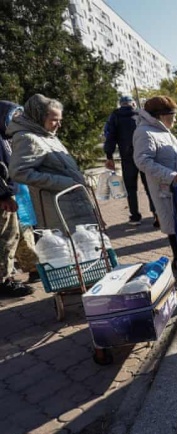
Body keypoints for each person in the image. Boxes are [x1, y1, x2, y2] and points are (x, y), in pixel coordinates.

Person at [8, 94, 92, 232]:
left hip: (74, 203)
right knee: (72, 248)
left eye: (60, 120)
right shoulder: (27, 138)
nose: (59, 125)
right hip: (58, 209)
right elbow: (19, 172)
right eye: (54, 120)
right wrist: (64, 183)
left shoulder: (47, 135)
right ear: (39, 117)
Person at [133, 96, 177, 273]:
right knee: (172, 225)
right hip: (165, 188)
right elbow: (142, 161)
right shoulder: (145, 132)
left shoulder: (163, 131)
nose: (174, 120)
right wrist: (170, 176)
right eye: (172, 116)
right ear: (161, 115)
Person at [104, 95, 157, 226]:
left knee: (130, 188)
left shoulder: (115, 116)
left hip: (127, 156)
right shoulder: (141, 114)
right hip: (145, 155)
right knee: (150, 185)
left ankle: (135, 216)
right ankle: (157, 214)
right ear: (133, 104)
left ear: (120, 104)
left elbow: (110, 136)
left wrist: (109, 156)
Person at [0, 101, 33, 297]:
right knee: (6, 237)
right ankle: (5, 281)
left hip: (7, 193)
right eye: (12, 118)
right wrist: (4, 195)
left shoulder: (4, 138)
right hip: (2, 197)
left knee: (12, 235)